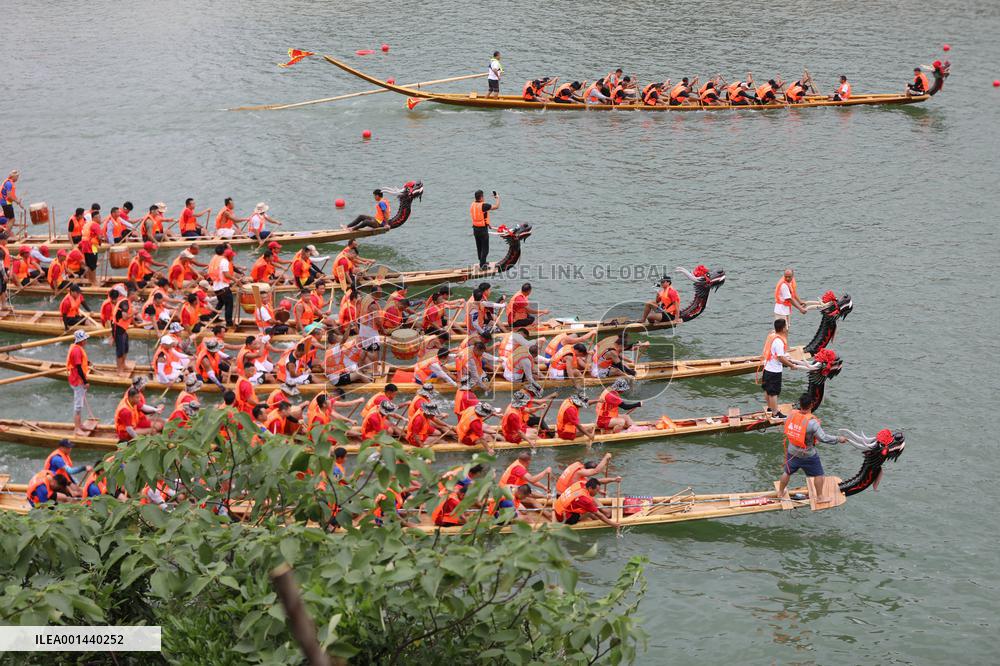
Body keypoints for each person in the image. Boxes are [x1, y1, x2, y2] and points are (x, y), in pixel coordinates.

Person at [775, 392, 847, 500]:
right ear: (812, 405)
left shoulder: (791, 415)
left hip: (792, 451)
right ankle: (820, 497)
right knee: (819, 475)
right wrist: (838, 439)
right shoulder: (812, 423)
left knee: (787, 472)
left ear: (800, 404)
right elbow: (823, 438)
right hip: (808, 454)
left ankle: (780, 492)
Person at [760, 318, 811, 419]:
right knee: (773, 393)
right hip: (774, 371)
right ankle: (775, 414)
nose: (787, 328)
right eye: (786, 326)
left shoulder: (772, 336)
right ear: (783, 329)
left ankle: (770, 408)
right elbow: (780, 358)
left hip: (767, 368)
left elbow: (778, 354)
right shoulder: (779, 341)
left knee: (767, 390)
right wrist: (791, 365)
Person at [553, 478, 619, 527]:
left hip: (558, 505)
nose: (597, 492)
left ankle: (606, 512)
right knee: (590, 512)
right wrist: (613, 524)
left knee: (592, 499)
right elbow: (600, 515)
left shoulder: (581, 483)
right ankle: (603, 520)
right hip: (564, 518)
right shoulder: (585, 500)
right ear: (590, 488)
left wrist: (613, 480)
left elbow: (599, 481)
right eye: (597, 490)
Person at [65, 330, 92, 436]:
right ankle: (77, 428)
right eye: (85, 339)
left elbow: (79, 362)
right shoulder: (76, 351)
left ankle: (79, 425)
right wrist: (85, 382)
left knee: (80, 403)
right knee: (78, 406)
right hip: (77, 380)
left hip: (76, 378)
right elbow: (79, 368)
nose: (86, 341)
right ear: (81, 340)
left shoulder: (77, 348)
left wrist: (87, 362)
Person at [470, 190, 500, 270]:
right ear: (481, 197)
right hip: (482, 230)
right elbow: (496, 206)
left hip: (475, 229)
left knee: (479, 246)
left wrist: (487, 223)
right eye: (483, 196)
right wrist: (497, 198)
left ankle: (482, 261)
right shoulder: (484, 206)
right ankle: (482, 266)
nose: (484, 198)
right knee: (485, 249)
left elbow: (480, 216)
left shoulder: (472, 204)